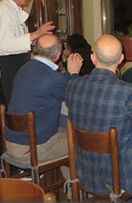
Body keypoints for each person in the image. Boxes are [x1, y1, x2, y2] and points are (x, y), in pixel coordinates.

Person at [66, 34, 132, 197]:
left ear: (92, 58)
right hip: (121, 176)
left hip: (85, 171)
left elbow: (73, 81)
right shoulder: (126, 91)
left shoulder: (73, 85)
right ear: (121, 59)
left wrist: (72, 74)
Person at [5, 35, 82, 177]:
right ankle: (77, 192)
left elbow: (56, 83)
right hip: (31, 147)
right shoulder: (50, 78)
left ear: (35, 49)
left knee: (68, 129)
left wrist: (69, 75)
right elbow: (75, 94)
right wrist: (74, 73)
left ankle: (72, 187)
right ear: (59, 54)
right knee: (82, 141)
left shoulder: (25, 68)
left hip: (13, 141)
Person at [0, 0, 55, 105]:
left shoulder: (14, 9)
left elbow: (16, 39)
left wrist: (34, 40)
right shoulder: (4, 10)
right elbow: (6, 44)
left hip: (16, 62)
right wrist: (36, 33)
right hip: (9, 64)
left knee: (20, 103)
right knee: (16, 106)